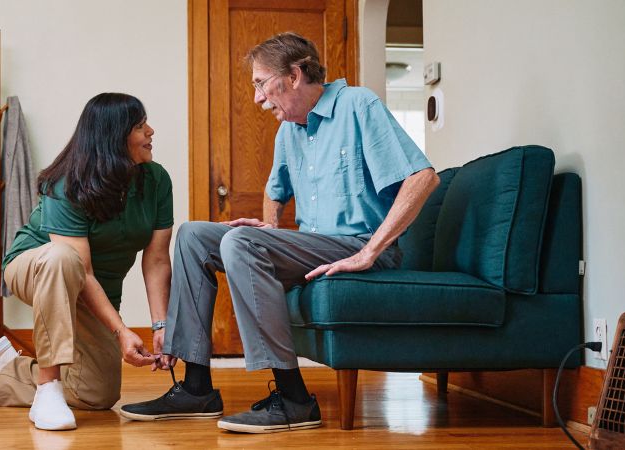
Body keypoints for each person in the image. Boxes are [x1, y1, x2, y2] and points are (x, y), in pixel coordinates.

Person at [120, 32, 440, 433]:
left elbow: (424, 177)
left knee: (240, 241)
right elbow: (276, 191)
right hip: (316, 247)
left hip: (357, 244)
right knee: (193, 235)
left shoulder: (358, 105)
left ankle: (293, 398)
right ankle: (197, 386)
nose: (257, 97)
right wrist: (270, 228)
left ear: (294, 75)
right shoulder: (290, 129)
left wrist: (371, 250)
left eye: (260, 83)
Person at [0, 93, 174, 431]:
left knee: (97, 394)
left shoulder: (156, 180)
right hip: (35, 267)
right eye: (139, 126)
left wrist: (160, 326)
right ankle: (47, 387)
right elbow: (82, 268)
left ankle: (10, 369)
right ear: (112, 137)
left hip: (93, 292)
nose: (150, 131)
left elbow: (156, 259)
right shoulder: (67, 183)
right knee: (62, 259)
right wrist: (121, 331)